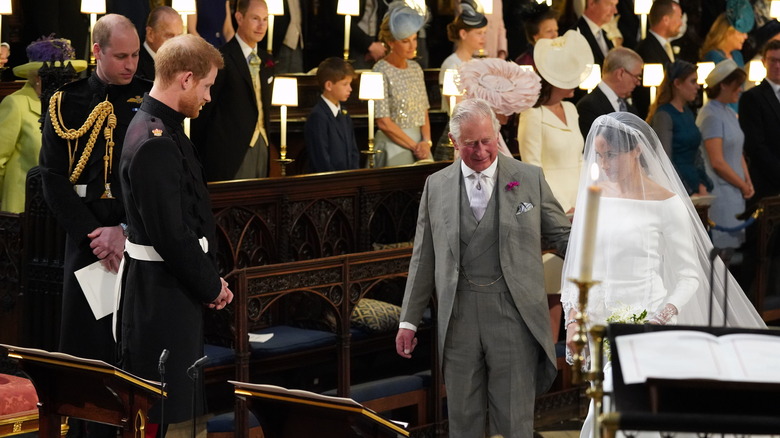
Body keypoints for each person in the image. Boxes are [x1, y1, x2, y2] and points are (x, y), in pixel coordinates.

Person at [561, 111, 765, 438]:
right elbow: (580, 265)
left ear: (636, 151)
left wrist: (660, 317)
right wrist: (573, 320)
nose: (603, 163)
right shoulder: (595, 196)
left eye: (610, 155)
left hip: (647, 321)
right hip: (600, 322)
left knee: (614, 412)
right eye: (598, 155)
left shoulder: (667, 204)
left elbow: (689, 276)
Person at [396, 98, 570, 438]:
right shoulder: (436, 185)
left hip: (513, 315)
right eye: (471, 144)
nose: (481, 151)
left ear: (497, 133)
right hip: (458, 317)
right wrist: (408, 320)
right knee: (463, 421)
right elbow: (423, 258)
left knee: (515, 421)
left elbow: (562, 236)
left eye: (487, 141)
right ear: (453, 141)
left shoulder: (528, 177)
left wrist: (602, 262)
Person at [38, 14, 150, 438]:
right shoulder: (64, 101)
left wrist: (123, 230)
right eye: (121, 55)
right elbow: (51, 178)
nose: (130, 64)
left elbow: (154, 181)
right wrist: (96, 235)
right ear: (97, 51)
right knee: (85, 354)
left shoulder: (148, 98)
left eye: (136, 54)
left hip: (134, 242)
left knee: (130, 352)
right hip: (85, 242)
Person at [118, 33, 232, 437]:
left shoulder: (163, 128)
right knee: (170, 418)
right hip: (161, 296)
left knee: (184, 407)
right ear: (185, 79)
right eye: (205, 86)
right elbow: (171, 235)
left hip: (172, 290)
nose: (208, 97)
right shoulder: (154, 142)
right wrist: (210, 285)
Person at [0, 36, 85, 213]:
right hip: (21, 209)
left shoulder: (69, 107)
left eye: (69, 76)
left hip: (59, 210)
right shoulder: (16, 104)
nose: (65, 82)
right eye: (57, 77)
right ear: (38, 77)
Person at [192, 0, 274, 181]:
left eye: (265, 20)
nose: (261, 25)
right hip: (229, 152)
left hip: (262, 144)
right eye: (255, 18)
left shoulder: (267, 60)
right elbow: (205, 112)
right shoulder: (222, 58)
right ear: (239, 17)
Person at [518, 30, 592, 213]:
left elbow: (579, 159)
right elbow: (533, 169)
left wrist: (587, 196)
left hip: (581, 202)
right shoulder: (533, 114)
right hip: (552, 207)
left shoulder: (571, 109)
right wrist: (564, 207)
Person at [697, 59, 753, 250]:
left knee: (729, 255)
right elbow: (717, 162)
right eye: (737, 85)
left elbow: (738, 151)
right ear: (723, 85)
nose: (740, 90)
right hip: (721, 192)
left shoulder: (729, 113)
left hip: (735, 189)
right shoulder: (710, 115)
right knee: (720, 256)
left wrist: (747, 181)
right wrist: (742, 184)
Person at [372, 0, 432, 167]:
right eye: (406, 41)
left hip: (421, 145)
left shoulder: (416, 68)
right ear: (391, 42)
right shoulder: (380, 70)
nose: (413, 46)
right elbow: (383, 121)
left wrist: (426, 142)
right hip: (393, 144)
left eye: (414, 39)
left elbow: (424, 112)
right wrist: (415, 146)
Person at [647, 60, 712, 196]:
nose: (698, 87)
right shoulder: (664, 115)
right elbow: (665, 161)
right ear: (677, 84)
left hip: (694, 184)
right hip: (678, 188)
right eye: (692, 82)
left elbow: (696, 153)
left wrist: (702, 183)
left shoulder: (687, 112)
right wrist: (687, 191)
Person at [739, 39, 780, 205]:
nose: (777, 65)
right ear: (764, 62)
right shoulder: (752, 97)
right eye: (773, 60)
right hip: (766, 182)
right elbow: (755, 145)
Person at [304, 57, 359, 172]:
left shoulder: (344, 113)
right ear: (329, 85)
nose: (350, 89)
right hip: (329, 183)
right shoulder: (318, 116)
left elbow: (353, 150)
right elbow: (321, 158)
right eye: (345, 84)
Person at [577, 47, 643, 138]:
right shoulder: (587, 106)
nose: (638, 82)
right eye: (636, 77)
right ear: (620, 73)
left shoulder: (629, 106)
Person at [633, 0, 682, 119]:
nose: (681, 23)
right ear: (666, 19)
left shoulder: (666, 46)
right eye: (679, 17)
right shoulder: (646, 49)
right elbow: (645, 93)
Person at [439, 0, 487, 114]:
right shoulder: (451, 65)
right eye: (479, 33)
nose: (483, 38)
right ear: (463, 34)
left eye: (485, 33)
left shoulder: (475, 63)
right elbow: (457, 108)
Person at [137, 6, 184, 80]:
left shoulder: (184, 62)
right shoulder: (135, 66)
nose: (176, 42)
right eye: (169, 36)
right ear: (150, 34)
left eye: (179, 36)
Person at [574, 0, 618, 67]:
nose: (615, 11)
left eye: (615, 5)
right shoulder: (576, 34)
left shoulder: (604, 34)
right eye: (610, 4)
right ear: (592, 3)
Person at [514, 1, 558, 67]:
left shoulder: (559, 58)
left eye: (556, 30)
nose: (555, 35)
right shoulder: (525, 63)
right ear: (535, 36)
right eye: (549, 31)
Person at [351, 0, 388, 69]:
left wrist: (379, 44)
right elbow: (340, 21)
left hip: (375, 44)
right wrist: (369, 45)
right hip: (353, 43)